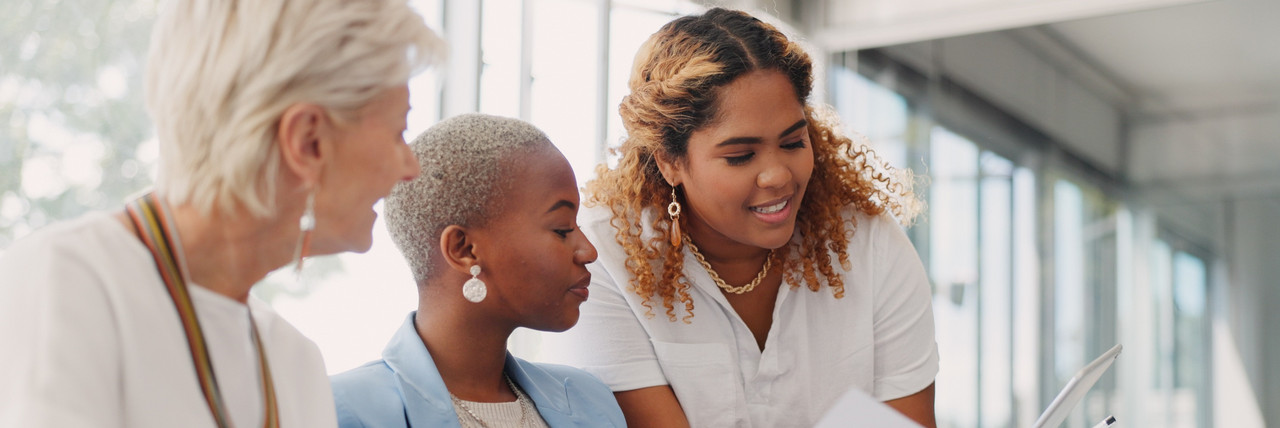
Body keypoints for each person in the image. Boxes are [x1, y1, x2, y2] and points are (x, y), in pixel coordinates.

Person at [0, 0, 444, 426]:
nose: (411, 168)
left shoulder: (295, 363)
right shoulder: (64, 285)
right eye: (398, 132)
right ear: (307, 140)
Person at [540, 7, 938, 428]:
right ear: (670, 161)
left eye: (793, 142)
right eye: (740, 156)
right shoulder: (603, 256)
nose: (778, 176)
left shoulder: (869, 243)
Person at [330, 113, 627, 428]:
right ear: (464, 250)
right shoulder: (341, 411)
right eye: (562, 229)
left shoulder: (590, 401)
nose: (588, 252)